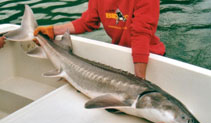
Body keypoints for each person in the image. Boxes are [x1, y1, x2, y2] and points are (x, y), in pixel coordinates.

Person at [0, 0, 165, 79]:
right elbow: (87, 22)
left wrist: (140, 80)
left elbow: (140, 35)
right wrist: (52, 30)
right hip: (119, 52)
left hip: (149, 58)